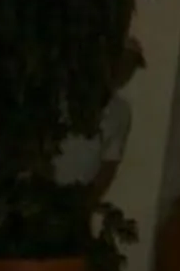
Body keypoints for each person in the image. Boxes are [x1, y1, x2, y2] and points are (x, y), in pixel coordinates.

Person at [54, 38, 145, 202]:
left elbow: (109, 163)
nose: (124, 71)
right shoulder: (65, 94)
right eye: (122, 63)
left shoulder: (121, 112)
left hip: (76, 199)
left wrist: (87, 202)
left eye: (131, 67)